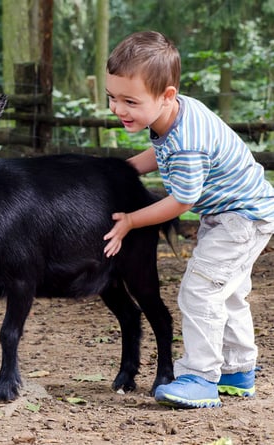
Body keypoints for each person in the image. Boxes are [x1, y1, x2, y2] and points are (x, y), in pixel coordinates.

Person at [103, 30, 274, 409]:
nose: (118, 109)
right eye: (112, 97)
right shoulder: (175, 113)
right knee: (226, 292)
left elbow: (182, 200)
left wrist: (131, 220)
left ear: (166, 95)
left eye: (130, 101)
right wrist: (125, 171)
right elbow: (157, 153)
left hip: (240, 219)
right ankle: (239, 371)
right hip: (240, 212)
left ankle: (200, 376)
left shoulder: (187, 143)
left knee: (199, 291)